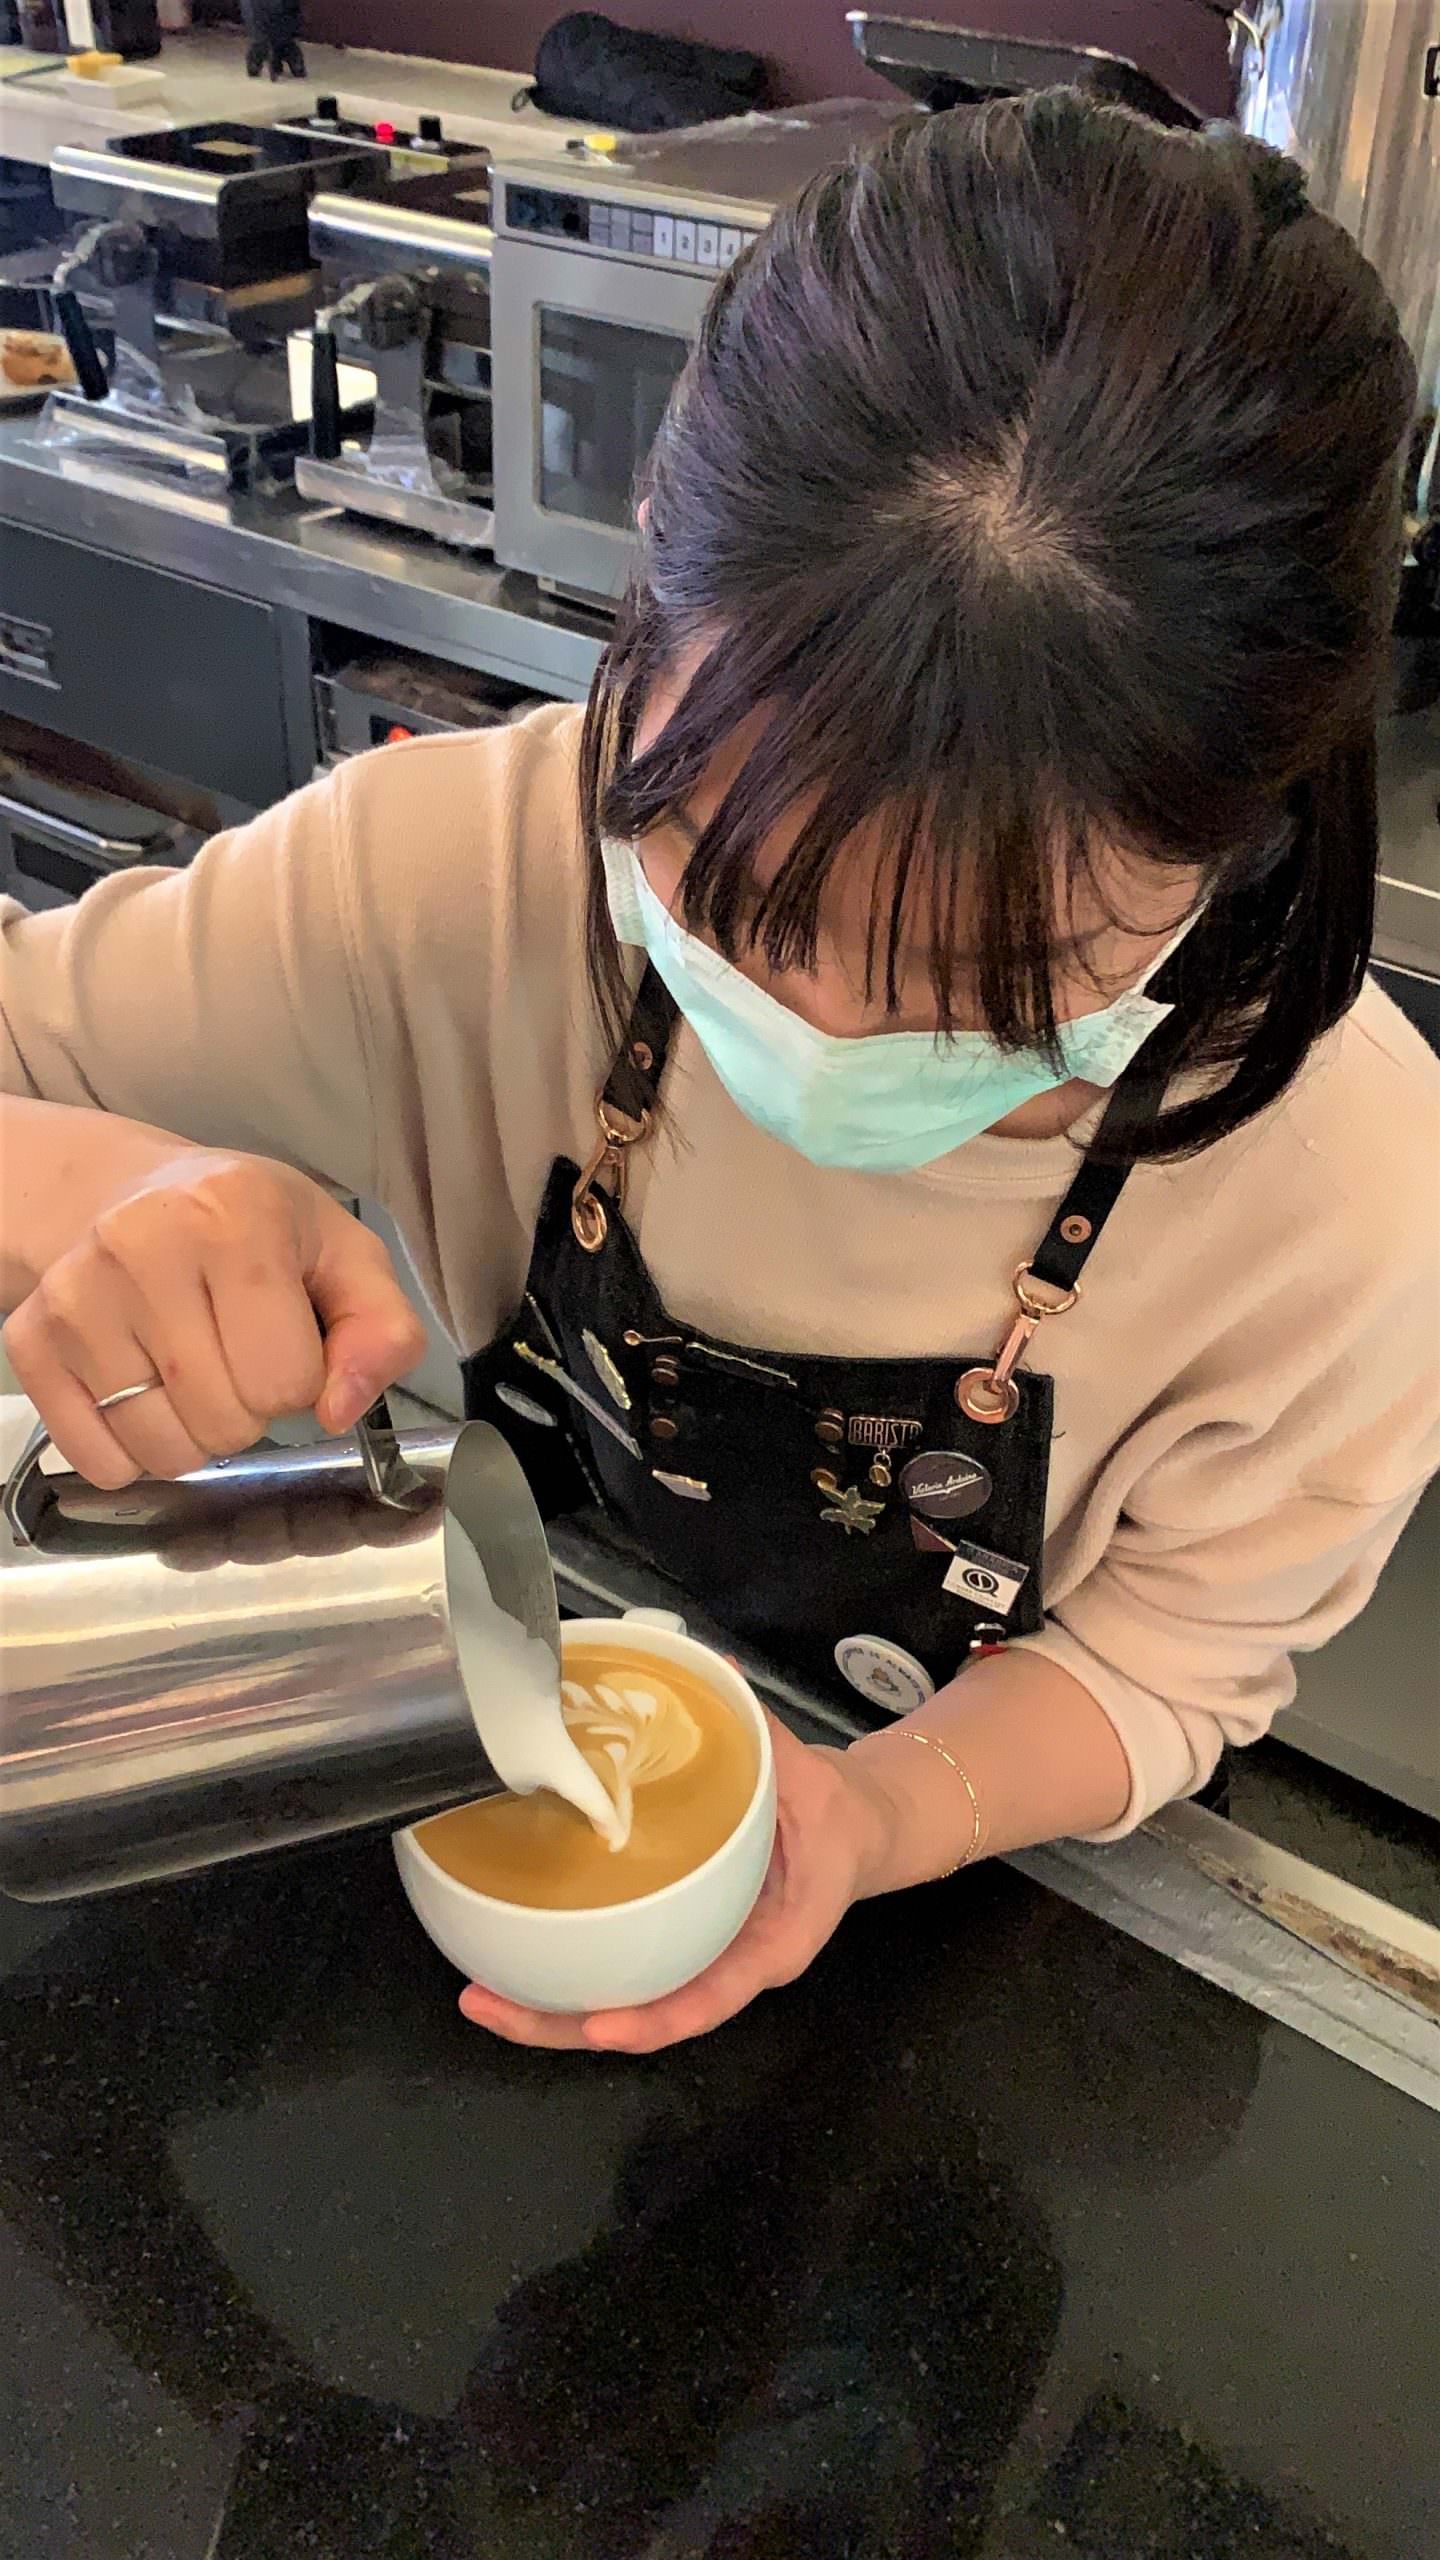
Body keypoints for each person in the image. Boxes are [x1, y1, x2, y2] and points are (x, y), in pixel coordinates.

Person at [2, 94, 1436, 2056]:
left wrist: (876, 1812)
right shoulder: (460, 876)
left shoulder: (1351, 1195)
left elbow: (1171, 1660)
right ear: (646, 618)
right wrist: (95, 1184)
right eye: (727, 882)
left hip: (998, 1933)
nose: (821, 1024)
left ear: (1247, 833)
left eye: (993, 989)